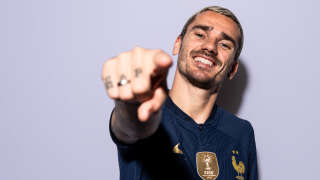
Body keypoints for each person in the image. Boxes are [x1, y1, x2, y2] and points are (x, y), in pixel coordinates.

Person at [102, 6, 258, 180]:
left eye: (224, 44)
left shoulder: (241, 132)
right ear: (178, 44)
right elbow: (128, 126)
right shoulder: (148, 110)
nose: (210, 47)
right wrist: (129, 102)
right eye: (200, 34)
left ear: (232, 69)